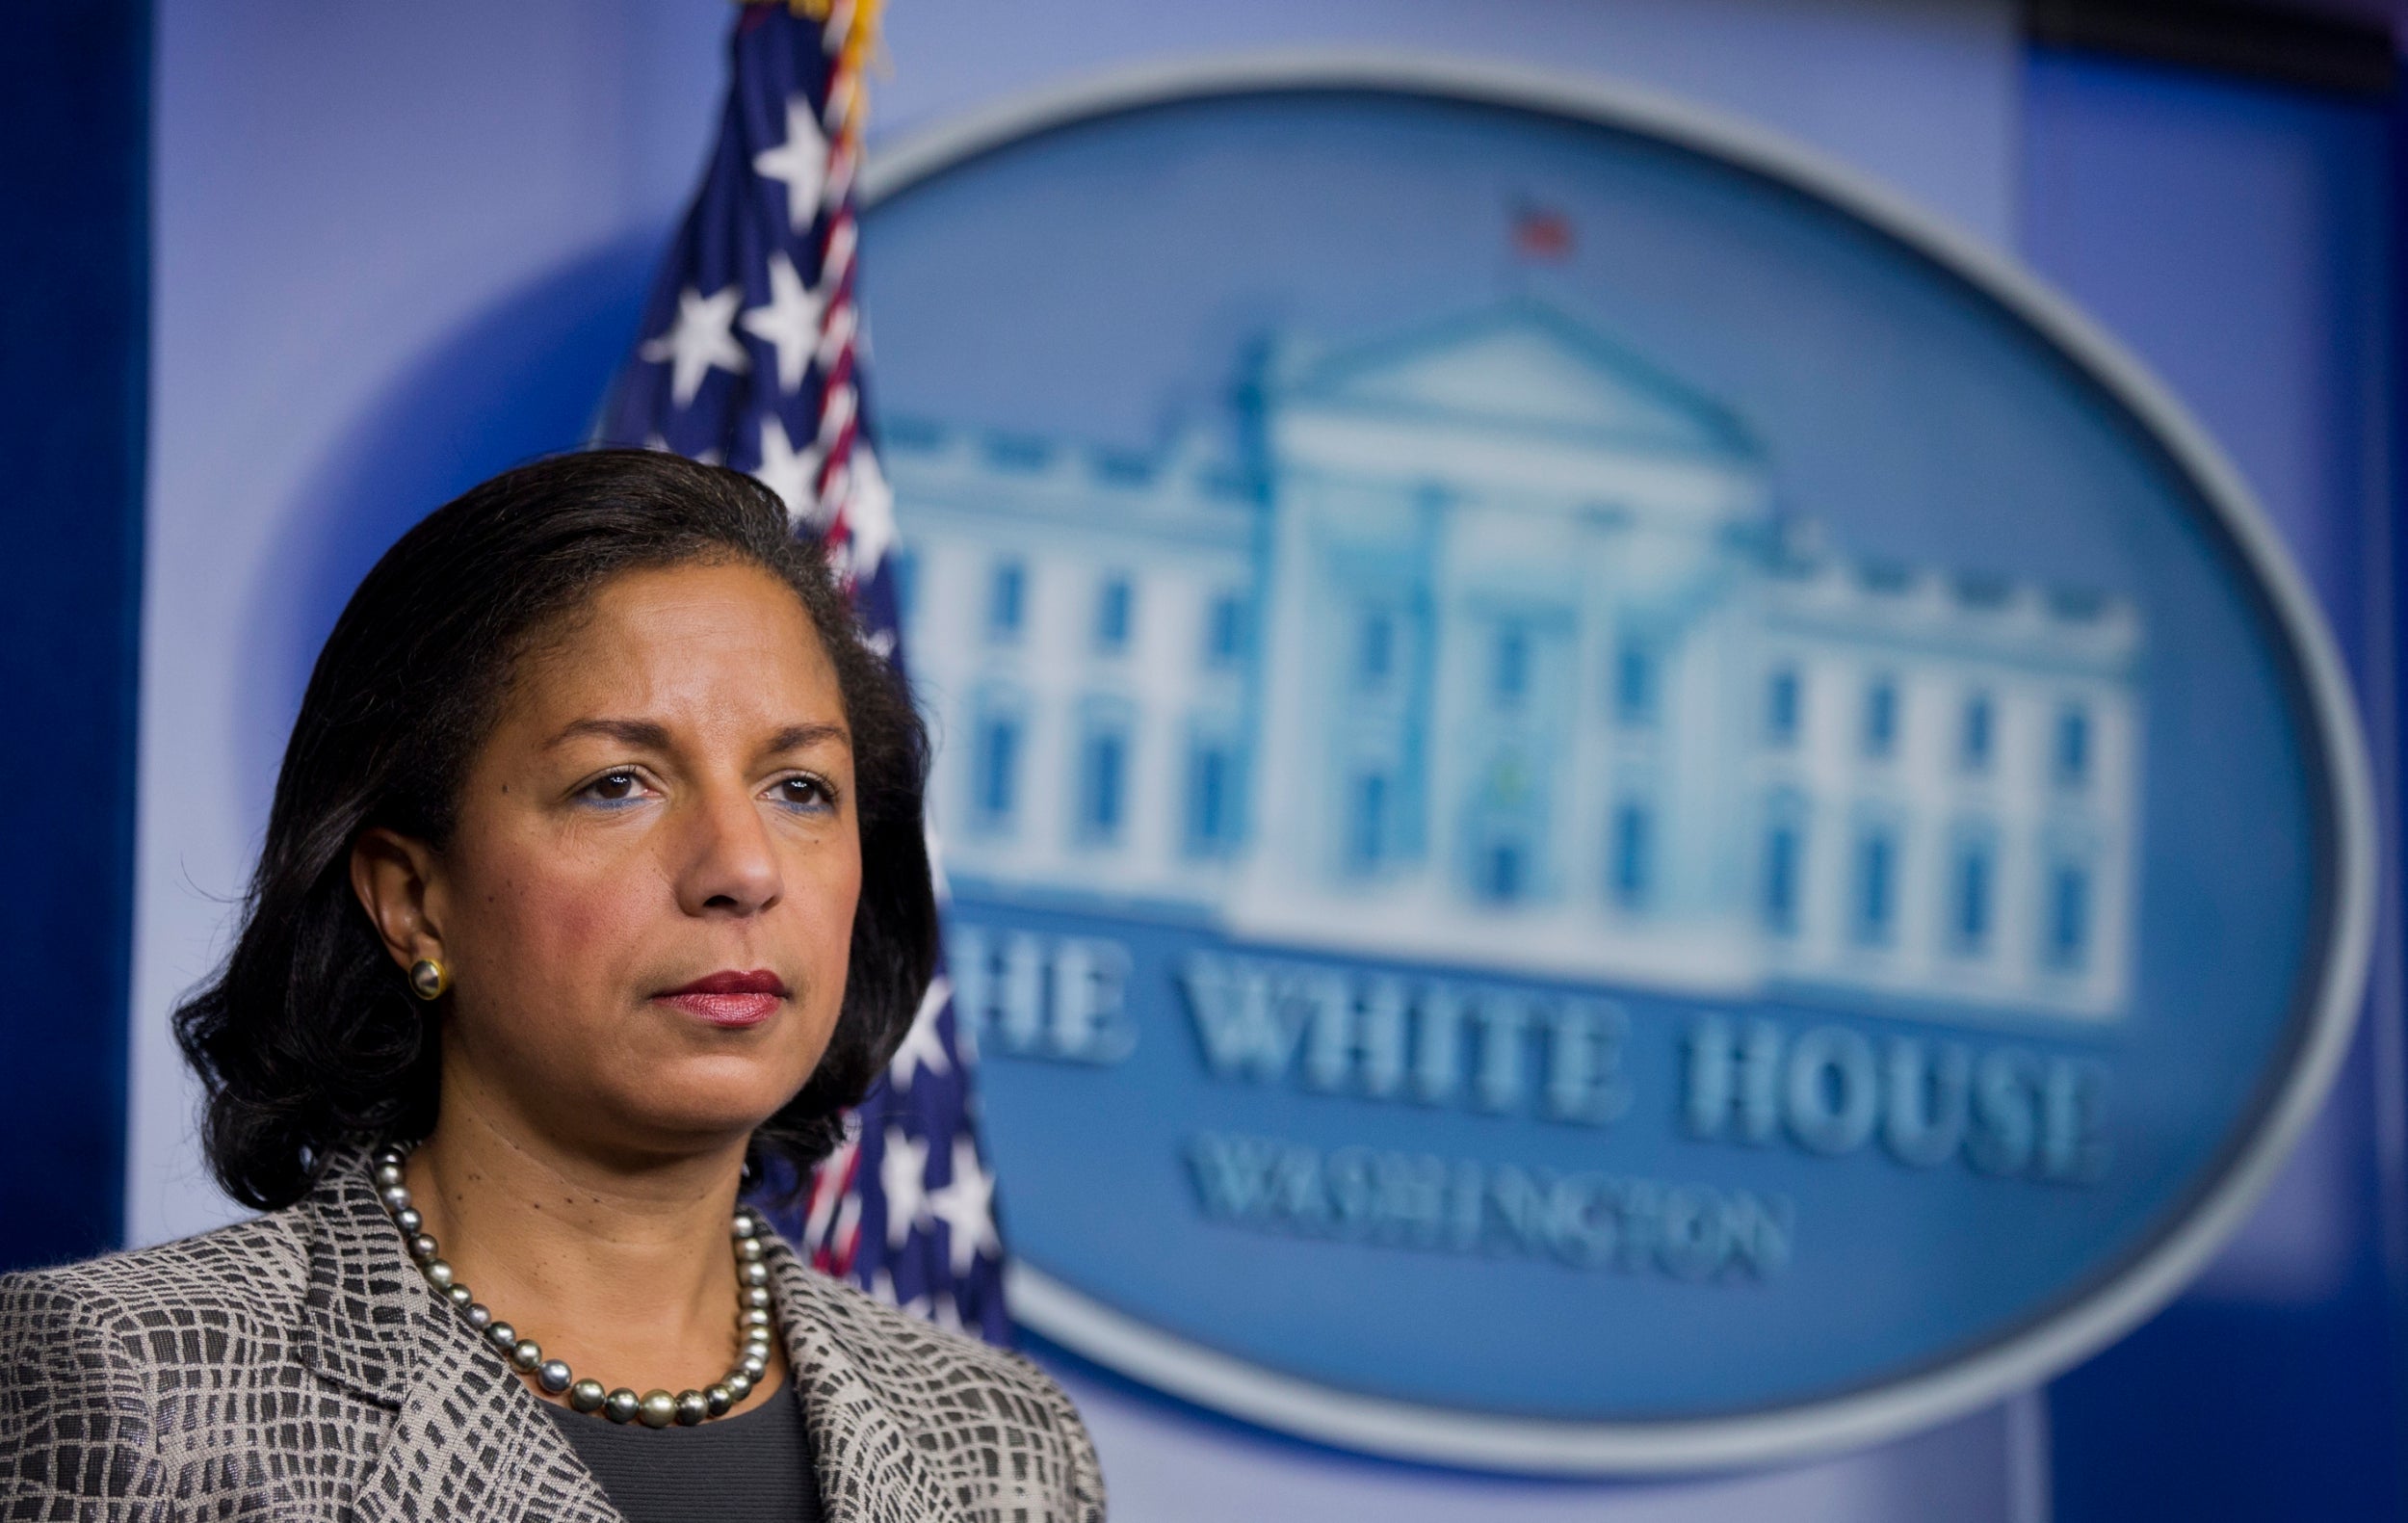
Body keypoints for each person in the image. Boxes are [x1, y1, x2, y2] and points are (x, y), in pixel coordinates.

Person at [0, 451, 1105, 1521]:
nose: (743, 869)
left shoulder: (1005, 1450)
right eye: (617, 784)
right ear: (412, 900)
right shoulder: (131, 1388)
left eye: (800, 787)